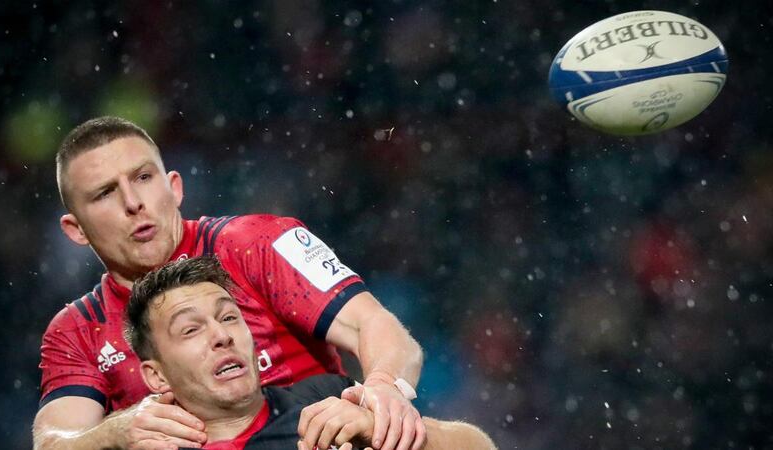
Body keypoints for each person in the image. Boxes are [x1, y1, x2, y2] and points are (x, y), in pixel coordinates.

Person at [33, 117, 426, 450]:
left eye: (143, 177)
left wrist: (384, 390)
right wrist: (116, 430)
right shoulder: (77, 332)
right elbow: (55, 439)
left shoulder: (258, 243)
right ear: (75, 229)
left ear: (175, 187)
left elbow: (375, 326)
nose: (133, 202)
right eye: (105, 193)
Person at [124, 256, 496, 450]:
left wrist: (382, 431)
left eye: (229, 317)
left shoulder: (326, 401)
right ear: (156, 375)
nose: (221, 335)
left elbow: (477, 446)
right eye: (191, 329)